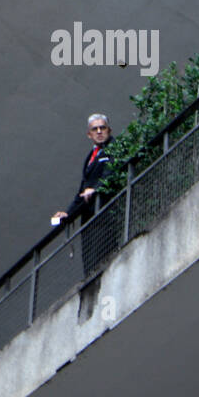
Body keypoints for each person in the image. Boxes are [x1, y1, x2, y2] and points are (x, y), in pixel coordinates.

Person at [52, 114, 120, 276]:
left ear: (109, 130)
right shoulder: (91, 156)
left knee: (102, 252)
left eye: (102, 128)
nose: (99, 132)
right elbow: (82, 190)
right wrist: (68, 213)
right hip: (89, 215)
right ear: (89, 134)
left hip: (105, 211)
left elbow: (110, 173)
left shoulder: (114, 148)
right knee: (90, 255)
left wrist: (96, 188)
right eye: (94, 129)